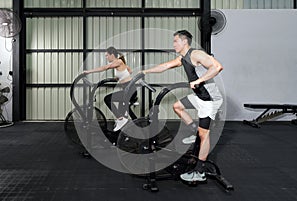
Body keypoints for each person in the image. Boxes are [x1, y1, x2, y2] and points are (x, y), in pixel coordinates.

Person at [142, 30, 223, 182]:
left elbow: (217, 67)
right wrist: (144, 71)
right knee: (177, 106)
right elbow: (165, 66)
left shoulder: (196, 54)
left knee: (204, 135)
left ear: (184, 41)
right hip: (199, 96)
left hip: (209, 99)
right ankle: (194, 131)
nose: (173, 44)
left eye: (175, 41)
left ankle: (200, 171)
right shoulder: (183, 58)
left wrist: (199, 81)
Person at [83, 46, 137, 131]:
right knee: (120, 108)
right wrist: (120, 77)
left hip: (130, 91)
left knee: (107, 99)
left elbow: (105, 67)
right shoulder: (120, 63)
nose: (106, 57)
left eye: (107, 55)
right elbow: (130, 71)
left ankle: (120, 119)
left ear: (112, 55)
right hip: (128, 90)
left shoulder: (118, 61)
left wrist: (88, 72)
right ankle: (131, 123)